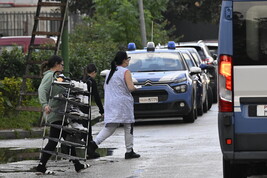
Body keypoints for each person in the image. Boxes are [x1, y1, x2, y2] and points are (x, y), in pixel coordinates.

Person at [36, 55, 90, 174]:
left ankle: (77, 164)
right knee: (54, 140)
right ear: (56, 64)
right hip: (55, 113)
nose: (63, 66)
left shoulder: (58, 77)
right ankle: (41, 165)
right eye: (62, 64)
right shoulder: (50, 76)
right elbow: (41, 90)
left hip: (61, 112)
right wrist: (45, 104)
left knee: (67, 138)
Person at [88, 51, 141, 159]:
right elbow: (130, 88)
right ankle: (129, 151)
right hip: (123, 104)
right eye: (127, 59)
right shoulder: (126, 72)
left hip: (110, 103)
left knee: (110, 127)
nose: (128, 61)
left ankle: (93, 145)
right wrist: (137, 87)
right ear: (124, 60)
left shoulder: (110, 72)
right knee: (128, 125)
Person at [79, 63, 104, 159]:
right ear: (93, 72)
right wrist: (101, 110)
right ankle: (90, 150)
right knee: (87, 128)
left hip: (78, 105)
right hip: (85, 106)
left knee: (82, 127)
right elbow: (97, 97)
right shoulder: (91, 81)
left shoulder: (81, 79)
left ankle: (87, 149)